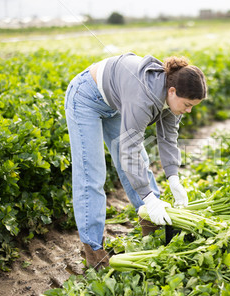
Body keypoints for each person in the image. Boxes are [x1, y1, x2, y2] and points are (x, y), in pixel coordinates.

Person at [64, 53, 207, 269]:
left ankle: (152, 224)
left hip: (116, 102)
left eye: (192, 106)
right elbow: (128, 151)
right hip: (85, 97)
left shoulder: (173, 98)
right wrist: (149, 197)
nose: (188, 110)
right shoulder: (143, 97)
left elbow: (168, 139)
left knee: (140, 160)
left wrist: (174, 177)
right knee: (91, 174)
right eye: (187, 104)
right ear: (172, 91)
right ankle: (93, 249)